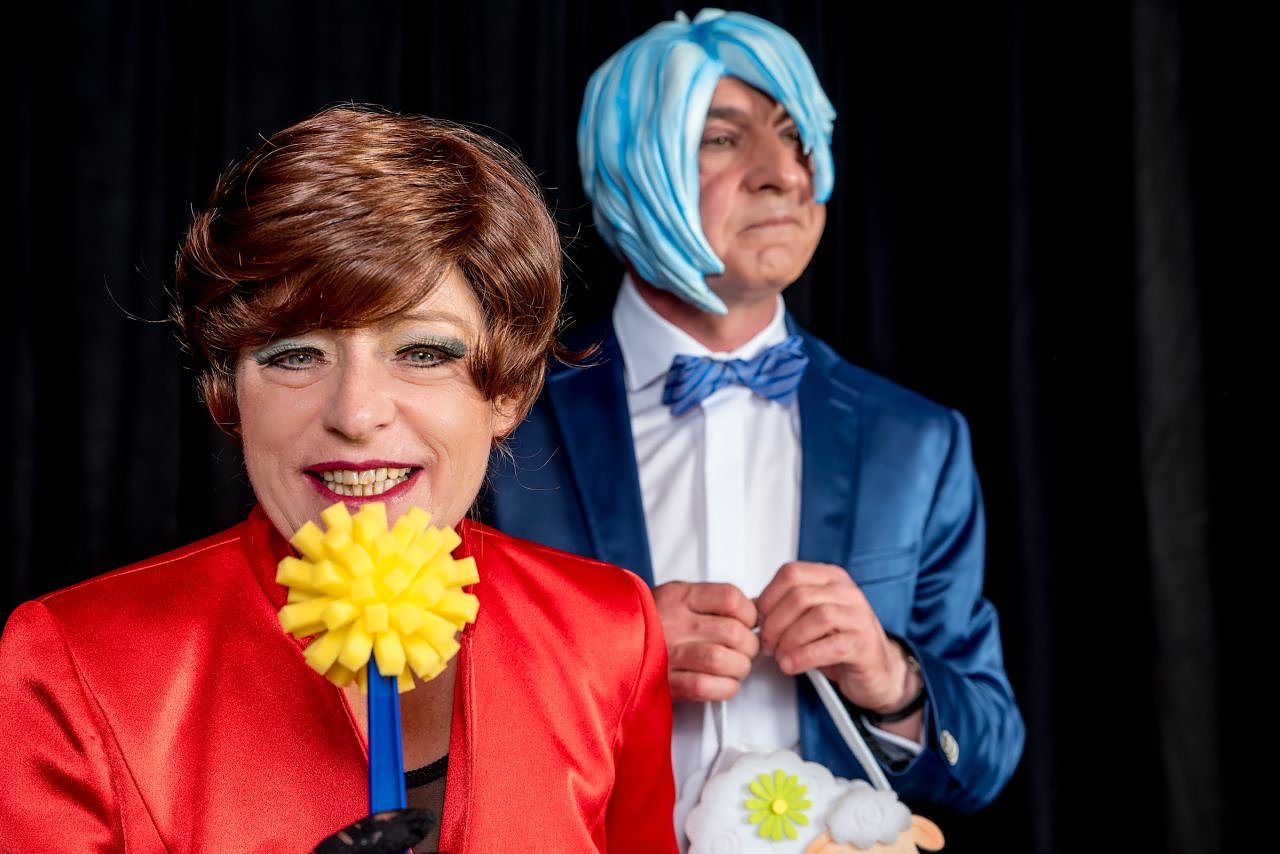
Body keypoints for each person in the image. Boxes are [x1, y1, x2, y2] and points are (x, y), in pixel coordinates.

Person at [0, 104, 677, 854]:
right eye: (295, 355)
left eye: (423, 352)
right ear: (229, 393)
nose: (355, 414)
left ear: (508, 391)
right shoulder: (67, 662)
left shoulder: (611, 630)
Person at [481, 7, 1025, 838]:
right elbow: (406, 714)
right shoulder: (501, 421)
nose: (785, 175)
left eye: (798, 138)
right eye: (723, 139)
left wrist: (892, 680)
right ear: (633, 171)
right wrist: (611, 655)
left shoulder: (917, 442)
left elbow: (986, 756)